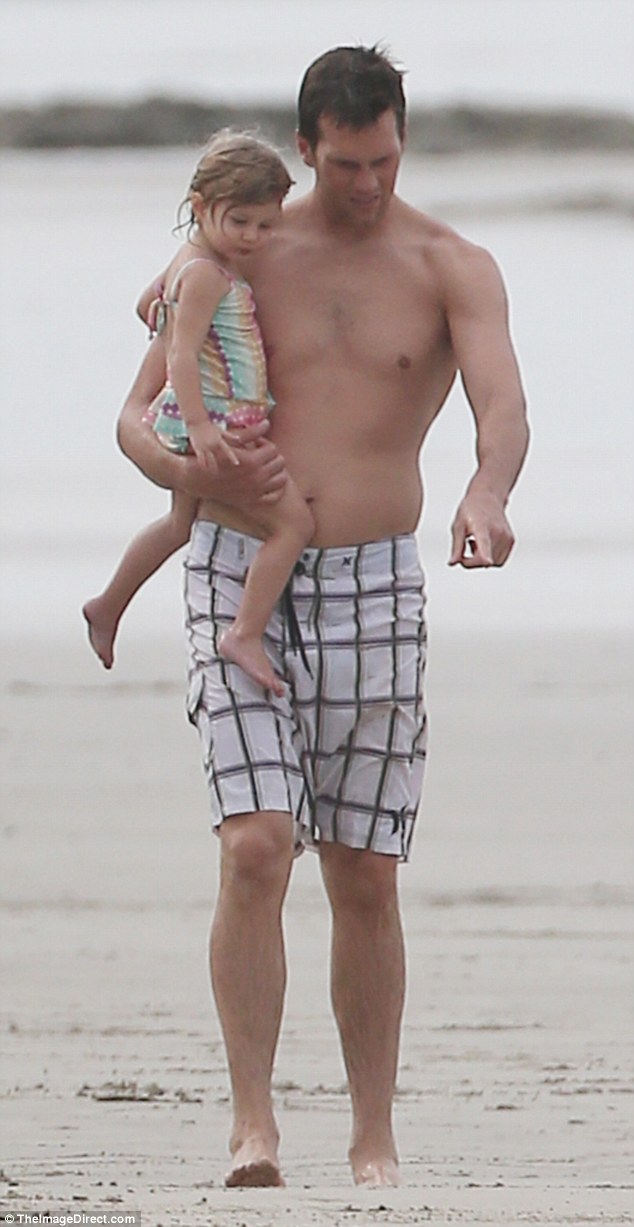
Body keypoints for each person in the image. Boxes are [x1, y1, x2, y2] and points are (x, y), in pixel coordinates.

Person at [116, 46, 529, 1189]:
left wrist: (487, 495)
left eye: (383, 160)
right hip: (236, 563)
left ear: (403, 141)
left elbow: (502, 405)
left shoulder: (452, 264)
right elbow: (136, 416)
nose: (366, 184)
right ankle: (253, 1127)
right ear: (305, 149)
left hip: (375, 578)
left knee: (363, 870)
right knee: (256, 847)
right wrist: (183, 463)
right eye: (344, 164)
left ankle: (371, 1137)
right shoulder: (237, 255)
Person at [83, 131, 312, 693]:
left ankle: (108, 604)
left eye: (266, 224)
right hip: (216, 421)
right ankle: (245, 633)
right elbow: (180, 354)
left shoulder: (192, 258)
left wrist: (164, 305)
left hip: (202, 415)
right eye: (240, 222)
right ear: (200, 207)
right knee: (293, 526)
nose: (253, 237)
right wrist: (200, 426)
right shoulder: (208, 274)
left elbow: (147, 303)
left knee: (178, 524)